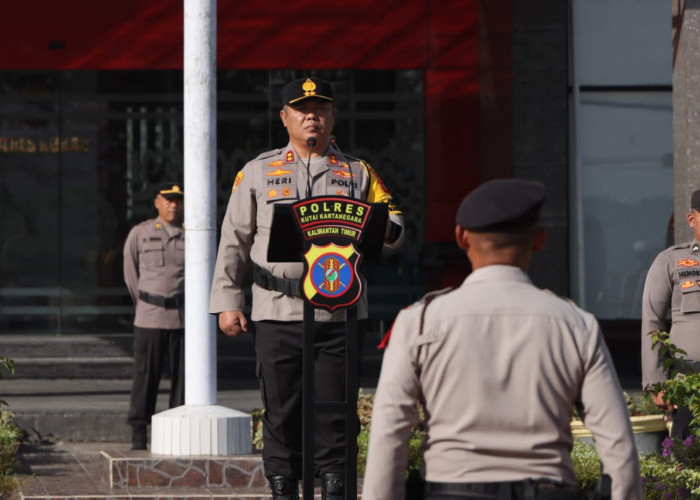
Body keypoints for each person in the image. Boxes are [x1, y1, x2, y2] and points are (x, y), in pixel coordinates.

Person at [363, 179, 641, 500]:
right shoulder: (576, 325)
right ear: (539, 240)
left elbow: (388, 436)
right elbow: (619, 445)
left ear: (461, 237)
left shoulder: (419, 322)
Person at [209, 76, 405, 500]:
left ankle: (335, 482)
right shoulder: (258, 171)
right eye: (301, 109)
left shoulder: (357, 172)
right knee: (281, 409)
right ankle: (283, 483)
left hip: (340, 311)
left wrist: (379, 225)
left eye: (320, 108)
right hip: (277, 309)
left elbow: (396, 228)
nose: (311, 115)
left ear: (333, 116)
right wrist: (227, 300)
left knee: (337, 408)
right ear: (285, 118)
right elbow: (234, 240)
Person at [123, 182, 185, 450]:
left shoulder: (192, 234)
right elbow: (130, 274)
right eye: (168, 199)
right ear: (156, 202)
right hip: (149, 316)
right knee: (146, 375)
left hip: (184, 318)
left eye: (178, 200)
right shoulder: (141, 233)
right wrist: (147, 303)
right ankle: (139, 431)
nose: (173, 205)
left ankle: (180, 429)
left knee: (184, 379)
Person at [642, 188, 700, 438]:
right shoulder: (671, 261)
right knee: (689, 457)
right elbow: (652, 322)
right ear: (692, 219)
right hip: (688, 378)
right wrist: (657, 383)